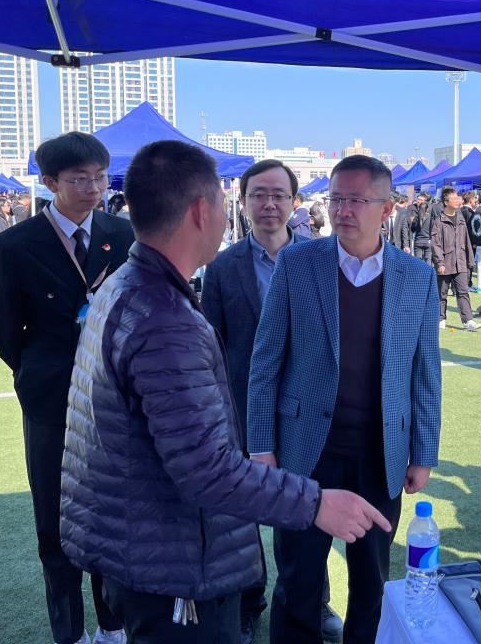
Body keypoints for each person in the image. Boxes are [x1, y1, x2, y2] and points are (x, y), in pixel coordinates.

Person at [60, 142, 387, 644]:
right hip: (173, 564)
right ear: (201, 210)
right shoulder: (163, 318)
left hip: (146, 546)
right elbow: (206, 470)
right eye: (226, 198)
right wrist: (317, 502)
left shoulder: (131, 285)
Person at [248, 155, 441, 644]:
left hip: (381, 453)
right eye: (336, 199)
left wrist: (423, 452)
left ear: (387, 208)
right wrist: (261, 446)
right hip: (304, 451)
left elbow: (425, 373)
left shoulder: (416, 276)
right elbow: (265, 361)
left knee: (372, 581)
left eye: (356, 200)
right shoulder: (297, 263)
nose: (342, 211)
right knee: (298, 579)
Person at [0, 132, 135, 644]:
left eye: (100, 178)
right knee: (54, 517)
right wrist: (37, 372)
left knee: (112, 512)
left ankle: (113, 624)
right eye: (79, 180)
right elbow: (6, 331)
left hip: (115, 394)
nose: (93, 189)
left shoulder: (124, 233)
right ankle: (69, 632)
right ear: (50, 183)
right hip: (50, 398)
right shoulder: (15, 245)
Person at [201, 159, 343, 644]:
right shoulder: (223, 267)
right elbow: (212, 344)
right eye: (258, 194)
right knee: (243, 515)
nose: (269, 204)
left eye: (279, 195)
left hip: (309, 412)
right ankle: (249, 602)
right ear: (243, 203)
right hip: (245, 409)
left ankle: (314, 600)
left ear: (294, 202)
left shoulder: (322, 258)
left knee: (308, 508)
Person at [432, 186, 481, 332]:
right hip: (445, 262)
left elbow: (466, 240)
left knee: (463, 292)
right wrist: (439, 262)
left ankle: (468, 320)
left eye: (457, 198)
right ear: (446, 202)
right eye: (453, 198)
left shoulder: (460, 218)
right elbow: (435, 243)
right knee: (442, 293)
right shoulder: (439, 221)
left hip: (461, 262)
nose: (457, 200)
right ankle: (440, 319)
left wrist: (469, 260)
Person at [409, 193, 434, 264]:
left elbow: (412, 229)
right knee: (428, 261)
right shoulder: (430, 218)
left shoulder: (416, 218)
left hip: (418, 241)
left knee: (418, 262)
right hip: (428, 241)